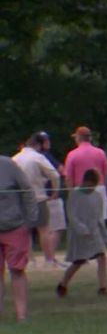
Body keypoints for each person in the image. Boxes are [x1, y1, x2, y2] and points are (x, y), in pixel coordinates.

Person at [56, 169, 107, 297]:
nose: (92, 188)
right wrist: (82, 229)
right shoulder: (74, 195)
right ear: (85, 182)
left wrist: (104, 233)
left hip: (94, 233)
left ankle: (102, 287)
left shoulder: (96, 196)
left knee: (102, 257)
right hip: (79, 235)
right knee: (79, 261)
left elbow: (99, 217)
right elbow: (72, 216)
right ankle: (63, 284)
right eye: (90, 185)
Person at [13, 132, 61, 268]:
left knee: (25, 231)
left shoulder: (15, 159)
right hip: (39, 197)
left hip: (21, 199)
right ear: (38, 145)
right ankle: (49, 259)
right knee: (44, 229)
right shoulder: (38, 157)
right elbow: (55, 175)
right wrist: (55, 191)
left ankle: (29, 260)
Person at [0, 155, 38, 322]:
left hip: (14, 226)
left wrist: (30, 220)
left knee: (17, 270)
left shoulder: (8, 165)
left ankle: (21, 315)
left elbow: (27, 191)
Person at [64, 126, 107, 221]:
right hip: (99, 188)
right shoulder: (100, 153)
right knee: (100, 220)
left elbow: (68, 178)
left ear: (78, 138)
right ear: (90, 138)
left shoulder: (72, 155)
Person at [39, 131, 68, 268]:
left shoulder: (35, 156)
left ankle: (49, 258)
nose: (48, 142)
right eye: (46, 140)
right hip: (52, 196)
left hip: (41, 197)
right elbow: (61, 170)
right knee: (57, 228)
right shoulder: (46, 156)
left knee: (45, 229)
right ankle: (50, 258)